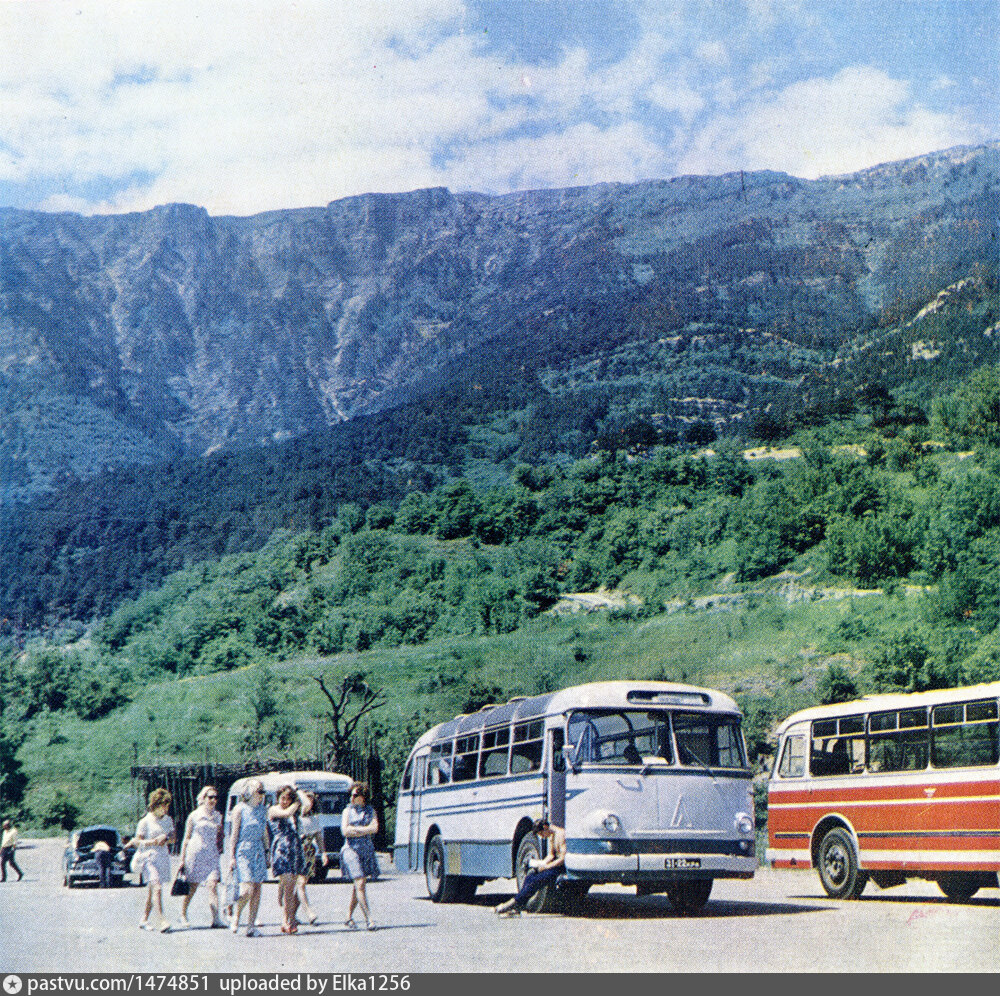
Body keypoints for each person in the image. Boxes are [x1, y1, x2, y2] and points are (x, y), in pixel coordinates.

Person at [125, 788, 176, 932]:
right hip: (148, 858)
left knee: (152, 890)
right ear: (155, 805)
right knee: (157, 887)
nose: (165, 809)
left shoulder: (168, 820)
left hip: (162, 857)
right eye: (163, 805)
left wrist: (166, 838)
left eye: (167, 806)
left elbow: (173, 838)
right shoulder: (145, 822)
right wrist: (154, 841)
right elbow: (137, 842)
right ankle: (162, 920)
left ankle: (144, 919)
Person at [495, 819, 566, 915]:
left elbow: (562, 859)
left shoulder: (561, 835)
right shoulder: (552, 836)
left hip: (560, 867)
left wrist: (547, 867)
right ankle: (518, 905)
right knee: (530, 877)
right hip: (554, 865)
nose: (542, 837)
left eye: (541, 834)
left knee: (535, 882)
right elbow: (551, 855)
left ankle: (511, 904)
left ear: (545, 827)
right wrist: (541, 864)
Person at [178, 785, 225, 928]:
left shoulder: (218, 816)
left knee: (212, 885)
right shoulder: (194, 815)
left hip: (211, 854)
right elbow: (186, 838)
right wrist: (182, 859)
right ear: (203, 798)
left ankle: (216, 919)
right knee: (193, 886)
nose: (213, 800)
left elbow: (220, 836)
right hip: (196, 853)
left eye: (216, 797)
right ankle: (182, 914)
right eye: (210, 797)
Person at [228, 779, 270, 937]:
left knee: (257, 888)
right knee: (246, 889)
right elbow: (234, 834)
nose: (262, 794)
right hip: (244, 849)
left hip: (258, 849)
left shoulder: (262, 810)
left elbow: (264, 833)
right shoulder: (239, 809)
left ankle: (251, 926)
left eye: (263, 791)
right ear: (250, 792)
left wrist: (267, 852)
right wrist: (232, 856)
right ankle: (237, 915)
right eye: (259, 791)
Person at [340, 782, 379, 930]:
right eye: (351, 795)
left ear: (363, 797)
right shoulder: (347, 811)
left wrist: (356, 829)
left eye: (355, 795)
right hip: (350, 849)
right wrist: (365, 830)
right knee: (360, 882)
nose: (352, 797)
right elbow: (345, 831)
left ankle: (348, 916)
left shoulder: (370, 811)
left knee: (358, 886)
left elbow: (374, 828)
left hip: (366, 849)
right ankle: (369, 919)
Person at [268, 785, 306, 934]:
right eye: (282, 798)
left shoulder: (295, 811)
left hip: (294, 848)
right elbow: (286, 813)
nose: (284, 801)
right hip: (281, 848)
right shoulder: (273, 809)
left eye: (288, 799)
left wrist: (299, 792)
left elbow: (308, 804)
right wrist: (296, 803)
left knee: (291, 888)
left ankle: (288, 919)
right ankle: (289, 920)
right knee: (289, 885)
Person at [295, 791, 324, 926]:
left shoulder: (314, 817)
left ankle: (291, 915)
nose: (310, 802)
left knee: (302, 884)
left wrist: (323, 853)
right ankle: (309, 912)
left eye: (312, 799)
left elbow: (319, 836)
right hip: (298, 850)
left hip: (309, 851)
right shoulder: (298, 815)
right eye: (308, 799)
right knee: (300, 883)